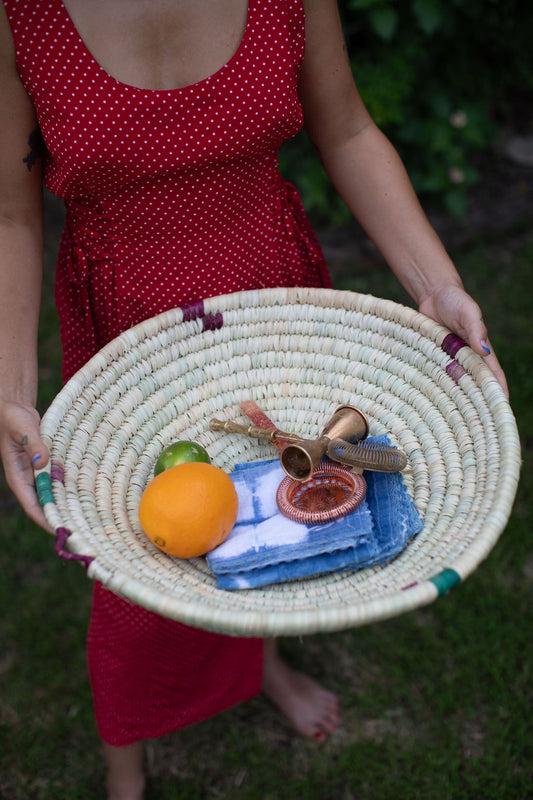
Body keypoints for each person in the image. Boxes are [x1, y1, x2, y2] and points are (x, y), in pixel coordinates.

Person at [0, 1, 508, 798]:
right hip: (130, 331)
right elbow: (10, 213)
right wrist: (13, 391)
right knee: (143, 564)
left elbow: (347, 130)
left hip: (273, 302)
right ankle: (124, 761)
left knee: (279, 510)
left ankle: (260, 660)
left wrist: (435, 284)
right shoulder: (19, 16)